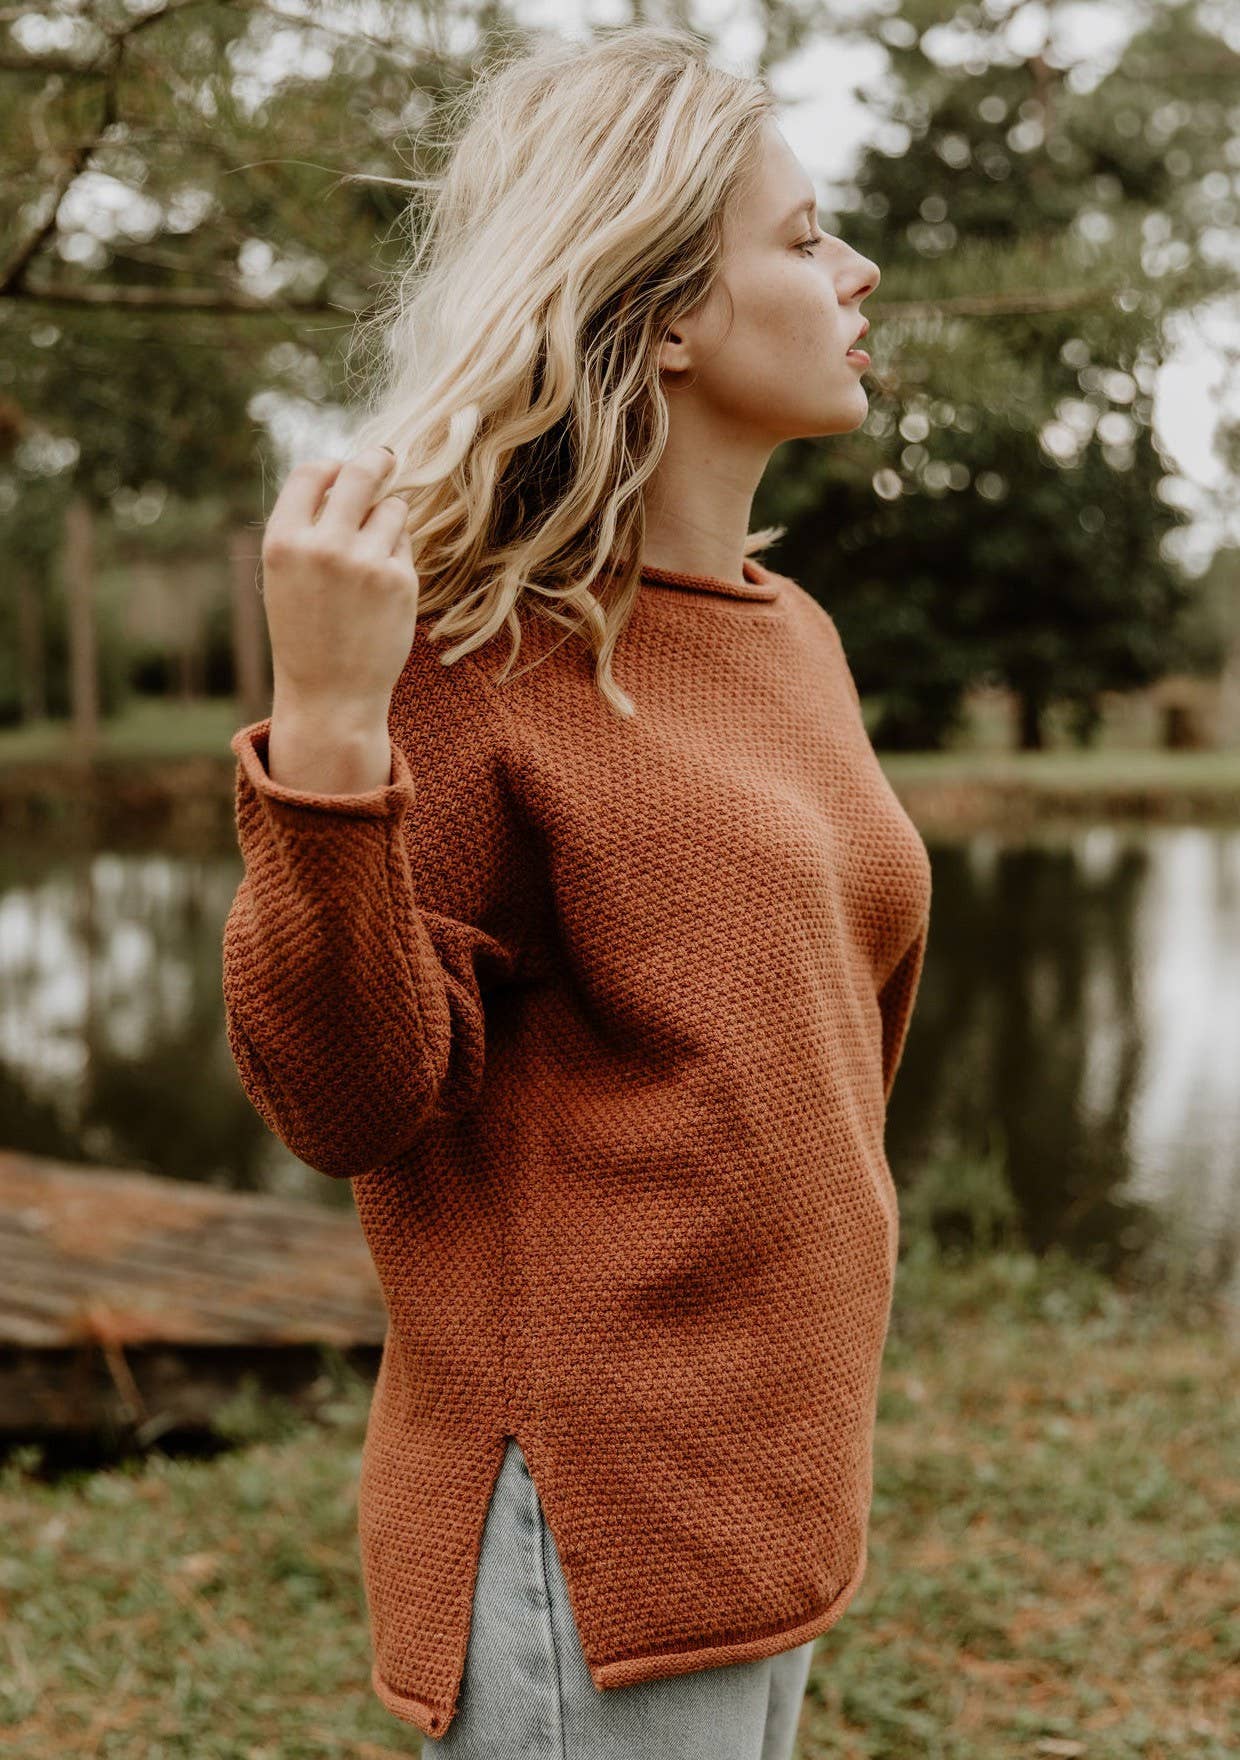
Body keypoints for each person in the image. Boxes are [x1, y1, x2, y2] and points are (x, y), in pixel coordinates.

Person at [221, 24, 932, 1760]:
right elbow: (344, 1099)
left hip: (771, 1477)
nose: (857, 271)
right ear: (668, 309)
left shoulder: (790, 632)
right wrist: (328, 723)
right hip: (586, 1523)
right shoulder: (464, 656)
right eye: (805, 238)